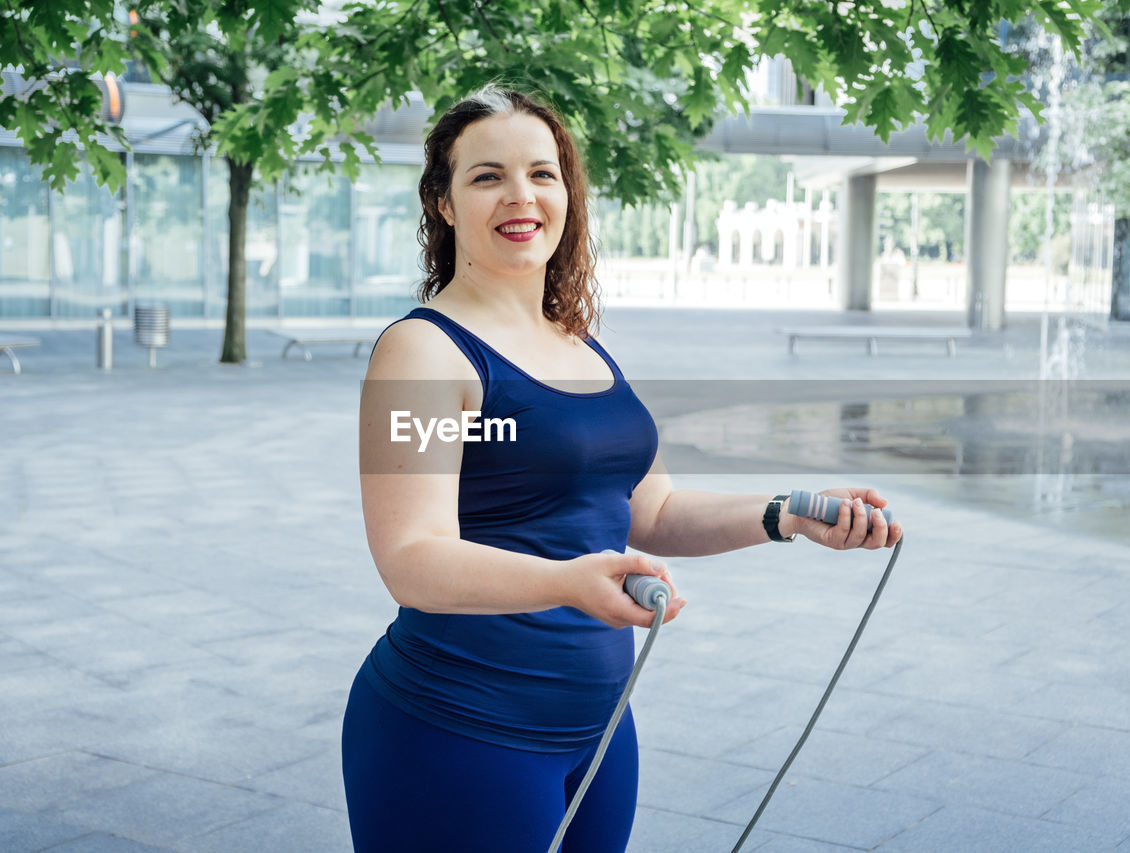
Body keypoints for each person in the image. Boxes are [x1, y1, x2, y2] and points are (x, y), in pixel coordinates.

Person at [342, 85, 903, 853]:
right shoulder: (424, 351)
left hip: (599, 728)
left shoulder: (581, 344)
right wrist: (568, 580)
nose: (522, 195)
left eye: (543, 173)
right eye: (486, 176)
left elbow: (654, 510)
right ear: (442, 203)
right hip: (461, 726)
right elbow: (411, 559)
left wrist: (786, 512)